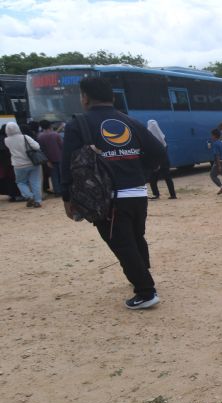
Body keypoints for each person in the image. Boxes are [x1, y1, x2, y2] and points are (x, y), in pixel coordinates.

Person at [60, 77, 167, 309]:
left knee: (122, 244)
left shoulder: (78, 124)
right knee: (136, 237)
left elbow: (67, 164)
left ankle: (146, 292)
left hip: (106, 198)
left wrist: (67, 198)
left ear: (85, 97)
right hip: (138, 193)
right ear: (113, 97)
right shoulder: (130, 122)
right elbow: (158, 150)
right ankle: (142, 273)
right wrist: (142, 171)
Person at [3, 122, 44, 208]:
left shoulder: (6, 140)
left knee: (20, 182)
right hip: (32, 163)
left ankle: (29, 196)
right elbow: (37, 146)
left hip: (18, 165)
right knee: (35, 182)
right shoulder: (25, 137)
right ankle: (38, 201)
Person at [145, 120, 176, 199]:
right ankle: (173, 195)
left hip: (156, 162)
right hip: (164, 161)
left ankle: (156, 194)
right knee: (167, 178)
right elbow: (165, 149)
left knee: (153, 179)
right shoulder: (163, 137)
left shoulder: (149, 137)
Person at [37, 120, 63, 196]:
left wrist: (47, 161)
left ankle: (57, 191)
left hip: (49, 159)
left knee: (54, 176)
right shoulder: (56, 135)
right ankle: (63, 190)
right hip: (60, 157)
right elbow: (62, 146)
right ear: (50, 126)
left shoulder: (40, 136)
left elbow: (42, 150)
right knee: (62, 175)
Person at [0, 124, 24, 202]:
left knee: (7, 180)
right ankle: (16, 195)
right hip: (10, 163)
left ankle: (12, 195)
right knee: (13, 179)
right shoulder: (6, 139)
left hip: (3, 164)